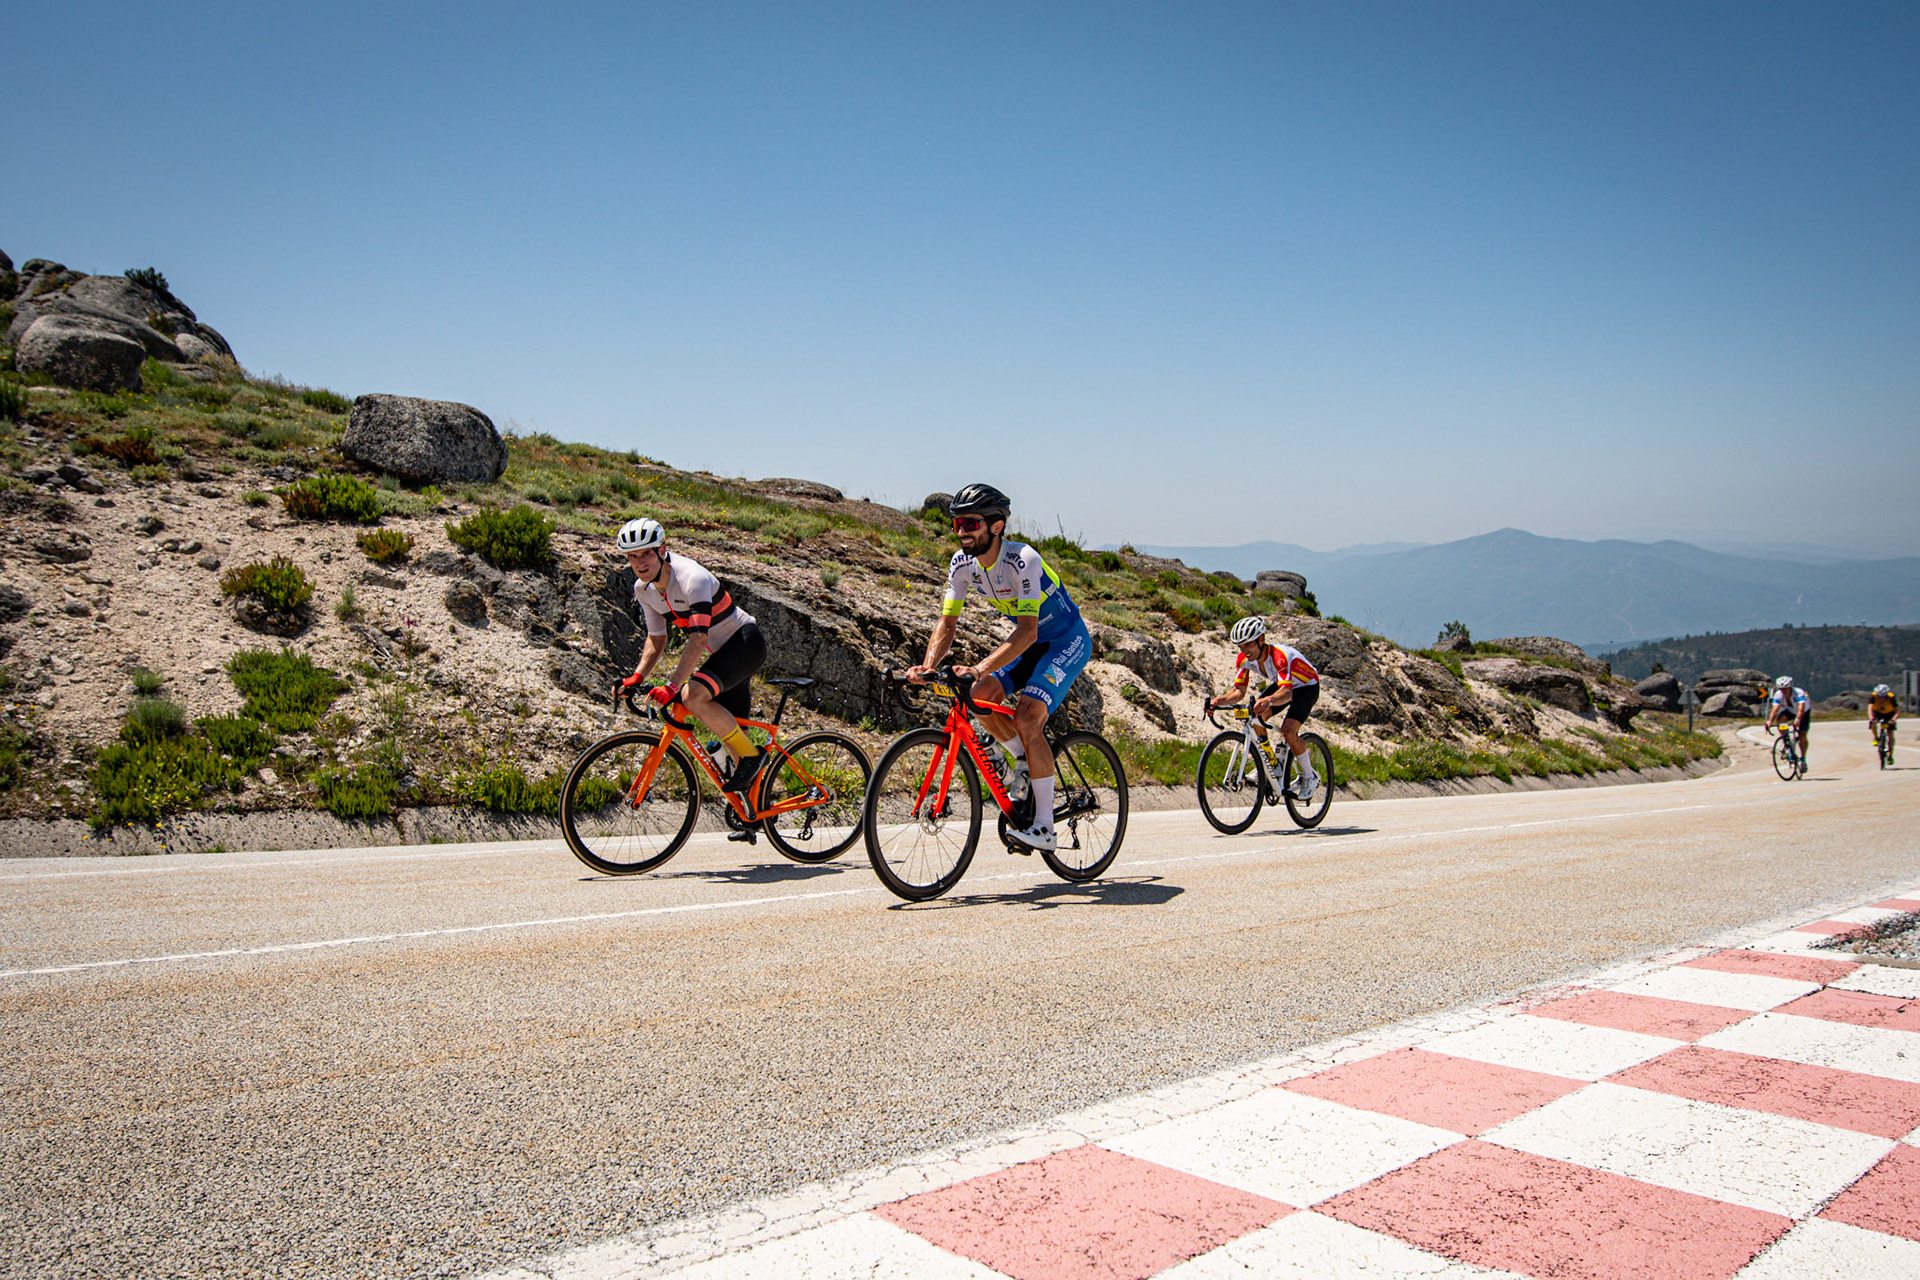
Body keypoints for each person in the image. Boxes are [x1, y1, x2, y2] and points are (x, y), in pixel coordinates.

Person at [907, 483, 1091, 854]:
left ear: (996, 526)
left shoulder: (1023, 559)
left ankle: (1044, 827)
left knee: (1027, 718)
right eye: (957, 523)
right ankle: (1023, 758)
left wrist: (977, 667)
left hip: (1064, 640)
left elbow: (1026, 631)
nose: (962, 531)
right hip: (1032, 641)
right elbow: (947, 623)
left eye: (971, 523)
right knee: (978, 697)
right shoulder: (961, 564)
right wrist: (928, 667)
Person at [612, 518, 771, 804]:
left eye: (646, 553)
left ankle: (753, 757)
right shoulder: (643, 589)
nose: (639, 563)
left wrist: (673, 686)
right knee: (735, 743)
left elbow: (698, 639)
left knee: (692, 696)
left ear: (662, 550)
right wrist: (636, 677)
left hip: (745, 644)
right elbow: (657, 640)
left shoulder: (691, 578)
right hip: (722, 655)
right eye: (632, 556)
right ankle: (754, 814)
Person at [1205, 615, 1322, 802]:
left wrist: (1268, 701)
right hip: (1284, 685)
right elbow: (1238, 692)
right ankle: (1272, 763)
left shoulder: (1280, 657)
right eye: (1241, 646)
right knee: (1256, 715)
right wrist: (1217, 701)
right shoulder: (1243, 659)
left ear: (1261, 640)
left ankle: (1310, 776)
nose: (1245, 651)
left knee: (1288, 731)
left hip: (1306, 687)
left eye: (1248, 645)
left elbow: (1287, 693)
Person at [1765, 674, 1812, 767]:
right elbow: (1775, 710)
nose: (1784, 691)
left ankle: (1803, 759)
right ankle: (1786, 741)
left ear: (1790, 687)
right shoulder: (1778, 695)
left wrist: (1798, 720)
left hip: (1803, 712)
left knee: (1802, 735)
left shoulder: (1799, 692)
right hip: (1790, 710)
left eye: (1786, 688)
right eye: (1781, 689)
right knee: (1780, 719)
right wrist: (1769, 721)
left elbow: (1801, 708)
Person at [1869, 683, 1899, 759]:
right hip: (1878, 712)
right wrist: (1872, 718)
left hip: (1889, 713)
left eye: (1883, 696)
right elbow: (1870, 709)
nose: (1881, 698)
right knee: (1873, 722)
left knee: (1890, 733)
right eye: (1879, 696)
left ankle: (1891, 756)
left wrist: (1893, 720)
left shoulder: (1891, 697)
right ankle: (1876, 737)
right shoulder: (1873, 696)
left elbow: (1897, 711)